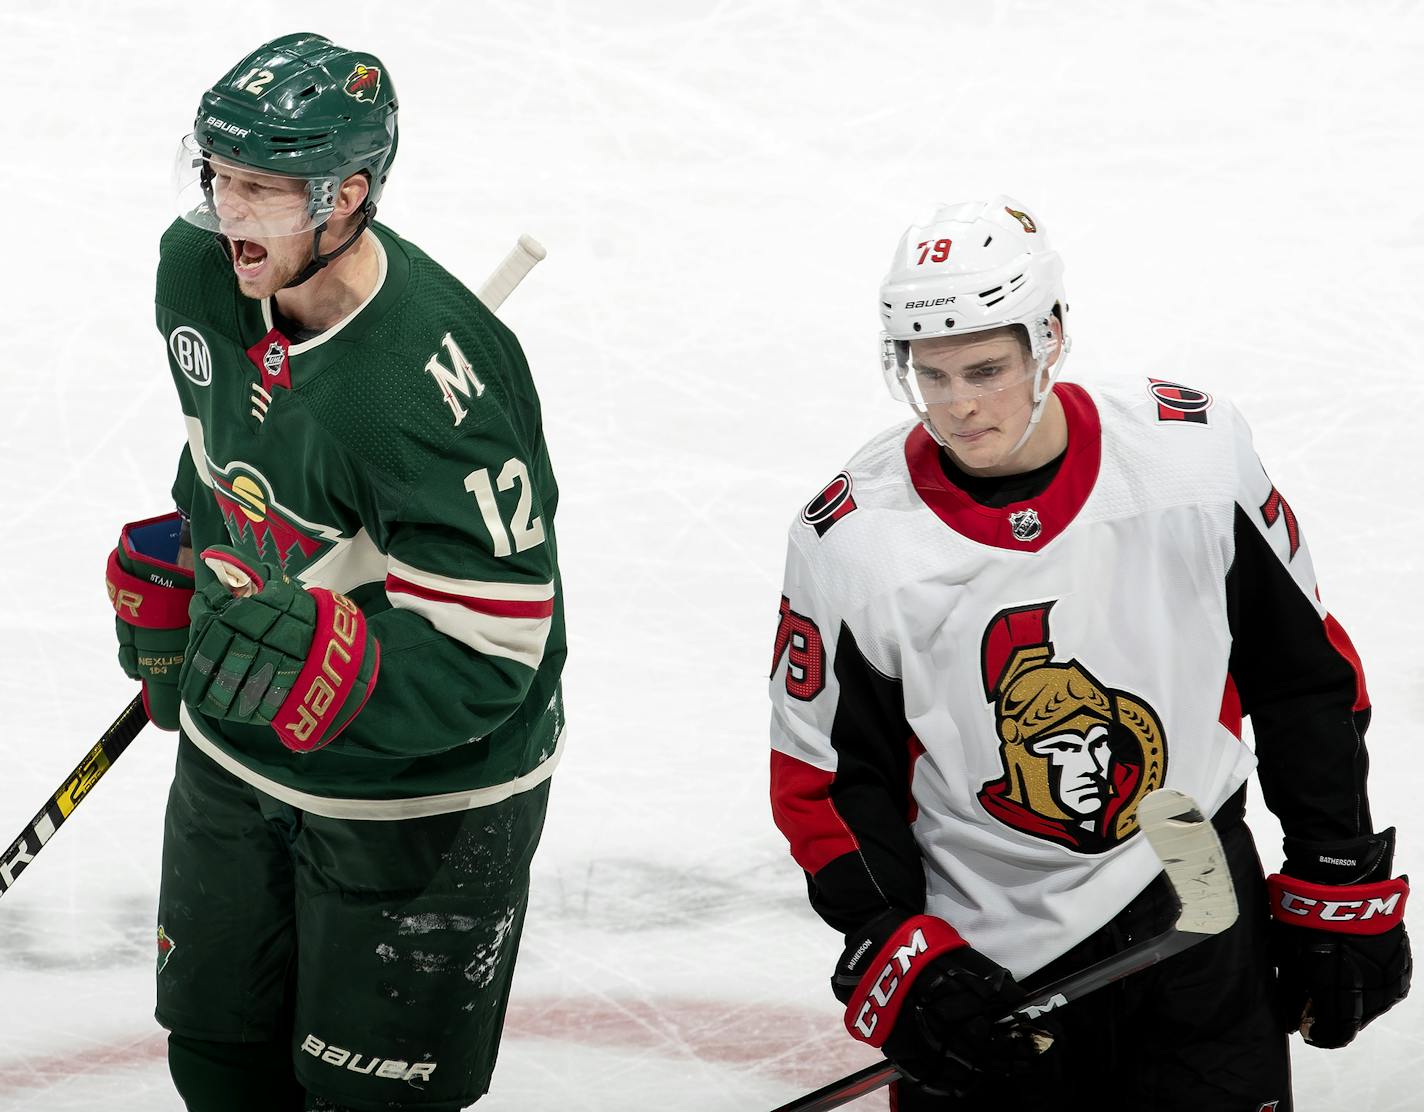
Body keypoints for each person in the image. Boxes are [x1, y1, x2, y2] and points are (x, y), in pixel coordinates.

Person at [767, 196, 1410, 1110]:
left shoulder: (1190, 461)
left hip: (1194, 890)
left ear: (1051, 336)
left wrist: (1337, 869)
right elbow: (825, 779)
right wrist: (896, 950)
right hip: (988, 944)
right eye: (931, 373)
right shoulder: (857, 540)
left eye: (986, 368)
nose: (959, 405)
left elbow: (1304, 674)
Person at [104, 33, 565, 1112]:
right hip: (236, 752)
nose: (227, 213)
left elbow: (496, 642)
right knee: (214, 1059)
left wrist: (334, 671)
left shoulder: (428, 389)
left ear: (346, 195)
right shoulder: (196, 270)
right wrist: (189, 556)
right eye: (217, 177)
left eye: (260, 190)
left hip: (419, 796)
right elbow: (229, 457)